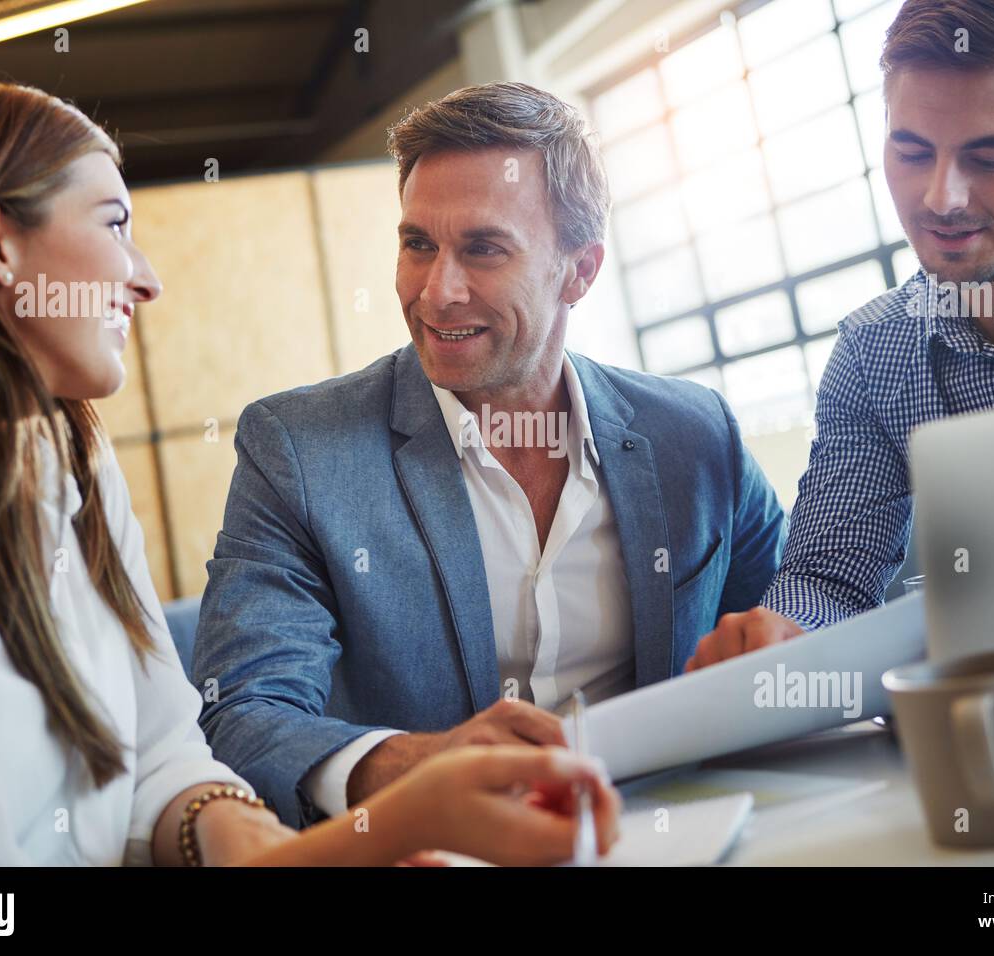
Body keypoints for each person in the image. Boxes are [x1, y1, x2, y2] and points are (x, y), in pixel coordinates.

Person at [0, 76, 619, 866]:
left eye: (484, 246)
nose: (146, 278)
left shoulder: (77, 476)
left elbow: (163, 762)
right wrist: (391, 823)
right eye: (115, 224)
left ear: (580, 271)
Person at [195, 81, 788, 829]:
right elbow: (243, 712)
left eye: (483, 249)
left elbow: (791, 624)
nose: (437, 292)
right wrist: (417, 767)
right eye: (418, 245)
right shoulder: (300, 451)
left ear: (580, 270)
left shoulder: (695, 436)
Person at [687, 0, 994, 671]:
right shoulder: (872, 355)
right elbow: (830, 578)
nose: (942, 198)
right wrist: (783, 634)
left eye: (990, 156)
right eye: (911, 152)